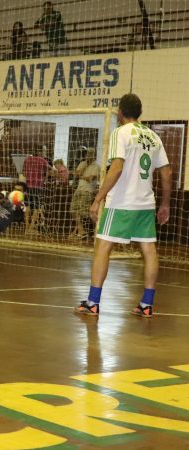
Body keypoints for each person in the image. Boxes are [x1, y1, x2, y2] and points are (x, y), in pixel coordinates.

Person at [76, 94, 172, 317]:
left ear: (121, 111)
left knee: (102, 247)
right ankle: (147, 304)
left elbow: (116, 168)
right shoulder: (153, 136)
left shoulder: (120, 132)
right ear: (139, 112)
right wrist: (165, 203)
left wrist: (98, 198)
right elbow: (166, 172)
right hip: (146, 204)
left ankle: (93, 302)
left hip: (121, 203)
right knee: (149, 250)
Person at [70, 148, 100, 239]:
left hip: (88, 191)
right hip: (79, 189)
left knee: (85, 213)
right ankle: (81, 231)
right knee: (73, 210)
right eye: (87, 154)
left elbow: (91, 179)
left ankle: (97, 231)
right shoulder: (82, 164)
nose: (88, 156)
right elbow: (76, 174)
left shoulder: (96, 166)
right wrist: (84, 167)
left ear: (94, 155)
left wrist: (82, 176)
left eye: (90, 154)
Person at [22, 145, 50, 233]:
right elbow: (49, 172)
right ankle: (31, 228)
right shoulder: (43, 161)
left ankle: (26, 227)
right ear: (40, 151)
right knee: (37, 208)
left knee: (27, 207)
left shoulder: (27, 160)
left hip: (28, 186)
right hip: (38, 187)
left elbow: (24, 173)